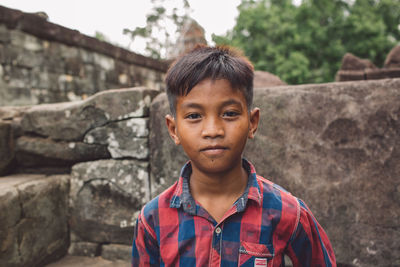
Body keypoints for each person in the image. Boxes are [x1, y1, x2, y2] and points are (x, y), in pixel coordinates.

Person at [132, 45, 336, 267]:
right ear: (173, 129)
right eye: (194, 116)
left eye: (229, 113)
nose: (212, 130)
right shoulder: (153, 220)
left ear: (252, 123)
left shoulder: (288, 213)